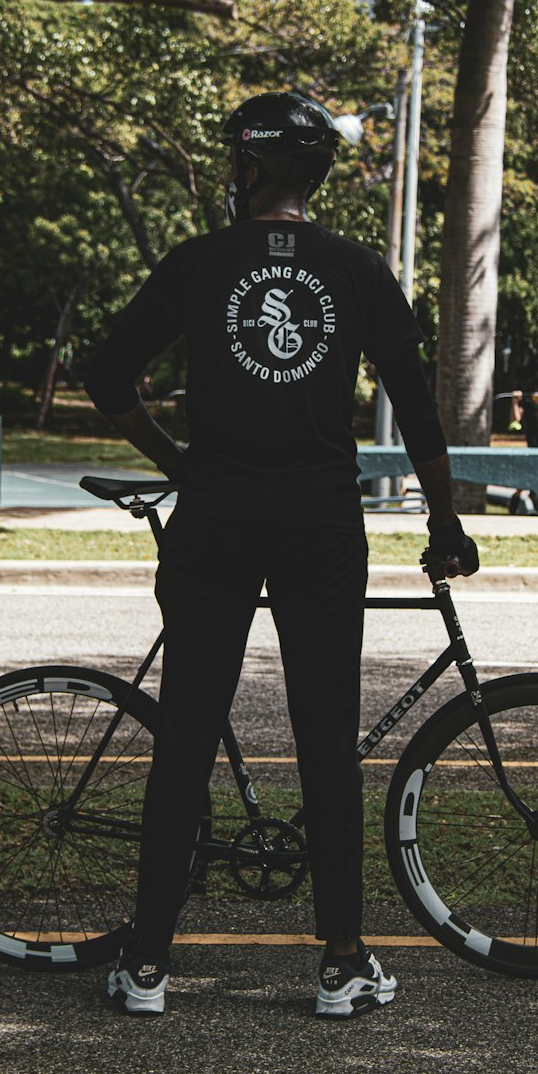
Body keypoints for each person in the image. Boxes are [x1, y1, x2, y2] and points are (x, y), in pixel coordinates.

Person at [84, 91, 478, 1020]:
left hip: (214, 519)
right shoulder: (356, 270)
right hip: (321, 526)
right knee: (325, 738)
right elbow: (418, 408)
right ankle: (341, 961)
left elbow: (108, 379)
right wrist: (445, 519)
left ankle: (147, 965)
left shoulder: (196, 264)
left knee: (185, 734)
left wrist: (174, 462)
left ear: (253, 168)